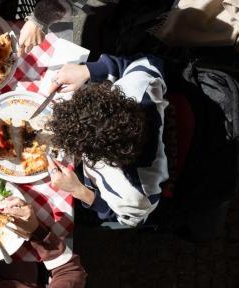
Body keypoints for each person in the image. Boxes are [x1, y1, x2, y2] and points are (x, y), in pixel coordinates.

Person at [45, 54, 169, 227]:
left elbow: (130, 220)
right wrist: (88, 70)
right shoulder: (140, 86)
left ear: (92, 156)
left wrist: (80, 191)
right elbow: (147, 63)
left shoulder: (136, 195)